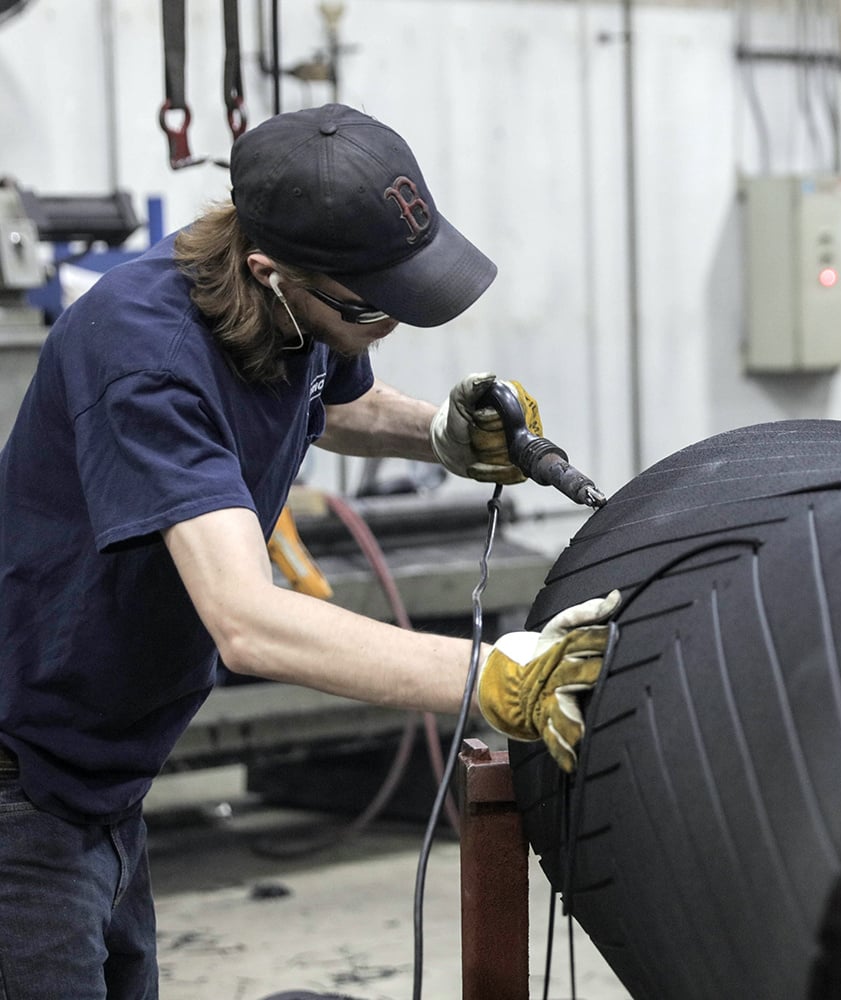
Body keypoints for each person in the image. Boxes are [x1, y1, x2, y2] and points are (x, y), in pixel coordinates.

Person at [0, 103, 618, 998]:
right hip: (23, 791)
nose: (392, 324)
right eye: (373, 305)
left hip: (105, 778)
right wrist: (490, 678)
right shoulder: (148, 358)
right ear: (268, 268)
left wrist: (437, 431)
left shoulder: (291, 310)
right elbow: (249, 622)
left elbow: (328, 398)